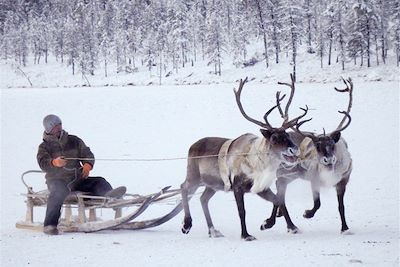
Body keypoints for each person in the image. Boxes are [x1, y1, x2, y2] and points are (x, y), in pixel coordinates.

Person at [37, 114, 126, 235]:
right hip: (57, 181)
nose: (59, 128)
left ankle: (111, 198)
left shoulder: (74, 140)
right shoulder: (44, 147)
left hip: (77, 179)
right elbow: (42, 163)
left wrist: (87, 165)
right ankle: (50, 225)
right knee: (57, 192)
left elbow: (87, 153)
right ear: (48, 129)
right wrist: (54, 162)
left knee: (99, 181)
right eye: (55, 126)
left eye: (60, 125)